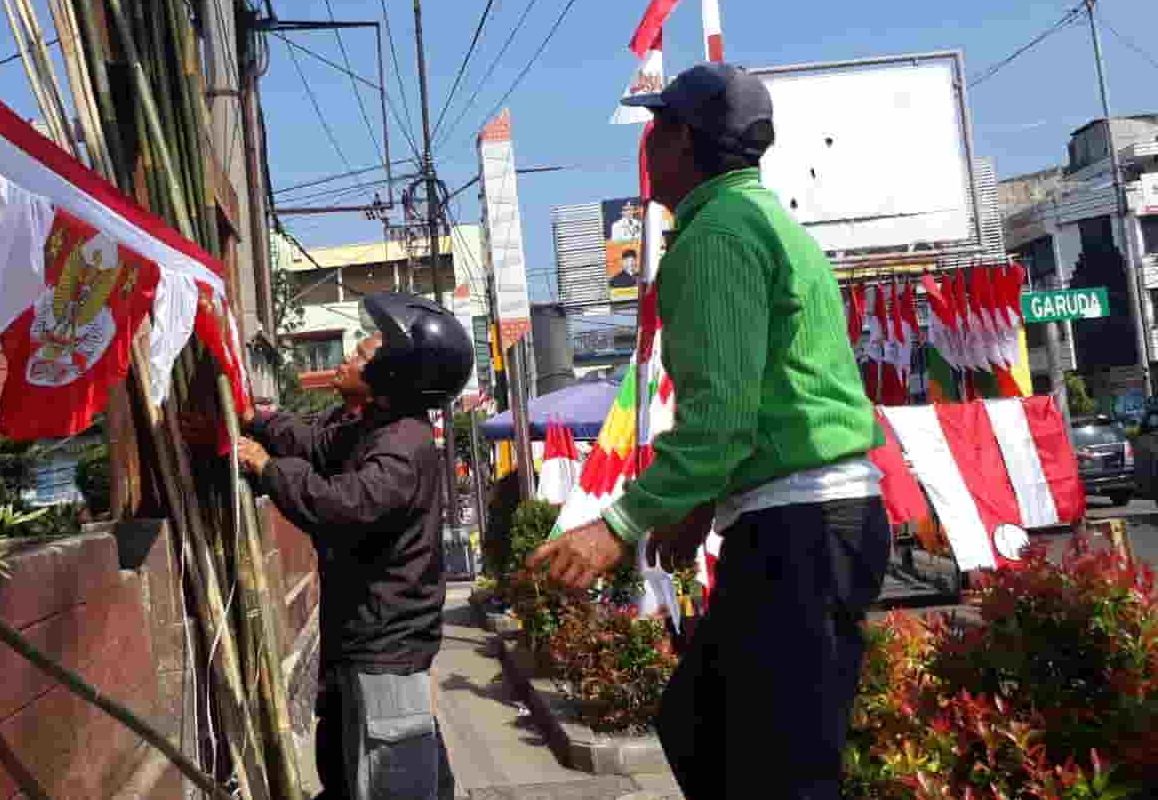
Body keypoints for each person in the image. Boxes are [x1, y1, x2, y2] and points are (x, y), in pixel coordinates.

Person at [529, 63, 891, 800]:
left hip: (805, 526)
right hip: (799, 518)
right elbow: (754, 401)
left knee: (773, 769)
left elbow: (721, 420)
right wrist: (696, 507)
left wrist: (614, 529)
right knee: (702, 727)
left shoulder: (716, 237)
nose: (648, 147)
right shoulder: (753, 219)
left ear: (684, 142)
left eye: (657, 129)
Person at [234, 292, 473, 800]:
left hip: (386, 652)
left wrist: (266, 467)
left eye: (363, 356)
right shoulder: (369, 427)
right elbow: (317, 442)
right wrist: (257, 419)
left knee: (391, 782)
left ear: (389, 377)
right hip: (357, 642)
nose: (349, 358)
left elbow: (341, 507)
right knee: (346, 772)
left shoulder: (403, 447)